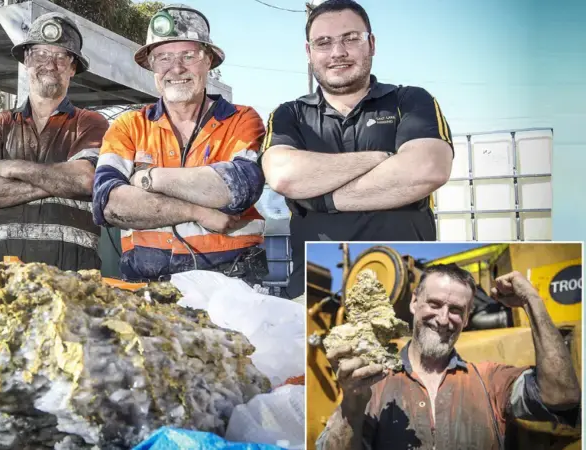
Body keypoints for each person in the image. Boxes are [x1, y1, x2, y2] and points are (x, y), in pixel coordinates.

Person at [260, 0, 453, 298]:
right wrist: (382, 159)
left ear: (371, 43)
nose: (338, 52)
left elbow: (427, 169)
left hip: (407, 288)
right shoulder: (289, 115)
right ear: (309, 53)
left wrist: (321, 199)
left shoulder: (411, 101)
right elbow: (284, 177)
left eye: (351, 38)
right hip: (315, 293)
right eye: (323, 42)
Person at [92, 4, 268, 283]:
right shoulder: (128, 126)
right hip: (145, 289)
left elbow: (237, 189)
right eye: (163, 57)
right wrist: (196, 210)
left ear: (208, 60)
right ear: (151, 65)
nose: (176, 68)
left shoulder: (241, 120)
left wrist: (147, 178)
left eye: (189, 55)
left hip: (232, 286)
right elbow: (108, 204)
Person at [318, 265, 581, 449]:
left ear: (467, 318)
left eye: (456, 310)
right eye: (434, 304)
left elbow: (561, 396)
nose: (443, 319)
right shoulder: (371, 381)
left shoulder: (490, 380)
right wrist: (351, 405)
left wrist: (533, 301)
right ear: (414, 303)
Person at [0, 13, 109, 270]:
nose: (50, 64)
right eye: (41, 54)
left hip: (76, 279)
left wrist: (12, 168)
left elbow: (87, 180)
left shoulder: (91, 123)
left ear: (73, 67)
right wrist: (62, 181)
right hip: (3, 276)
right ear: (26, 60)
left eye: (61, 56)